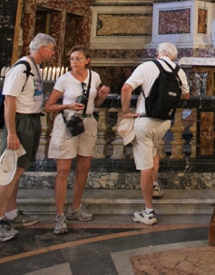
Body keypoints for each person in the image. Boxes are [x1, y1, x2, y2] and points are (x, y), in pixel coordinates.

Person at [0, 33, 56, 242]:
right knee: (11, 172)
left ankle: (11, 213)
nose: (52, 53)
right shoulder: (21, 68)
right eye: (51, 49)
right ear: (42, 48)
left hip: (31, 121)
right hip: (20, 123)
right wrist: (13, 133)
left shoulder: (34, 68)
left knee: (19, 169)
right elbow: (9, 102)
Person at [120, 42, 190, 225]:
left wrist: (126, 111)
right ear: (173, 56)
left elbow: (126, 88)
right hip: (164, 122)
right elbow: (186, 95)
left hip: (145, 120)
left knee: (144, 166)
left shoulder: (147, 66)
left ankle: (148, 211)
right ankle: (155, 185)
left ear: (158, 53)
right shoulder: (178, 70)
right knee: (154, 151)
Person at [44, 46, 111, 235]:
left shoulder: (94, 77)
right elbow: (48, 106)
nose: (74, 62)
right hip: (67, 122)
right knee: (63, 170)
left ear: (87, 60)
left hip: (87, 122)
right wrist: (68, 105)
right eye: (72, 59)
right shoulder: (64, 79)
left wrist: (101, 97)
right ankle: (59, 214)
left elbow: (95, 103)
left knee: (83, 167)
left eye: (78, 58)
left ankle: (75, 207)